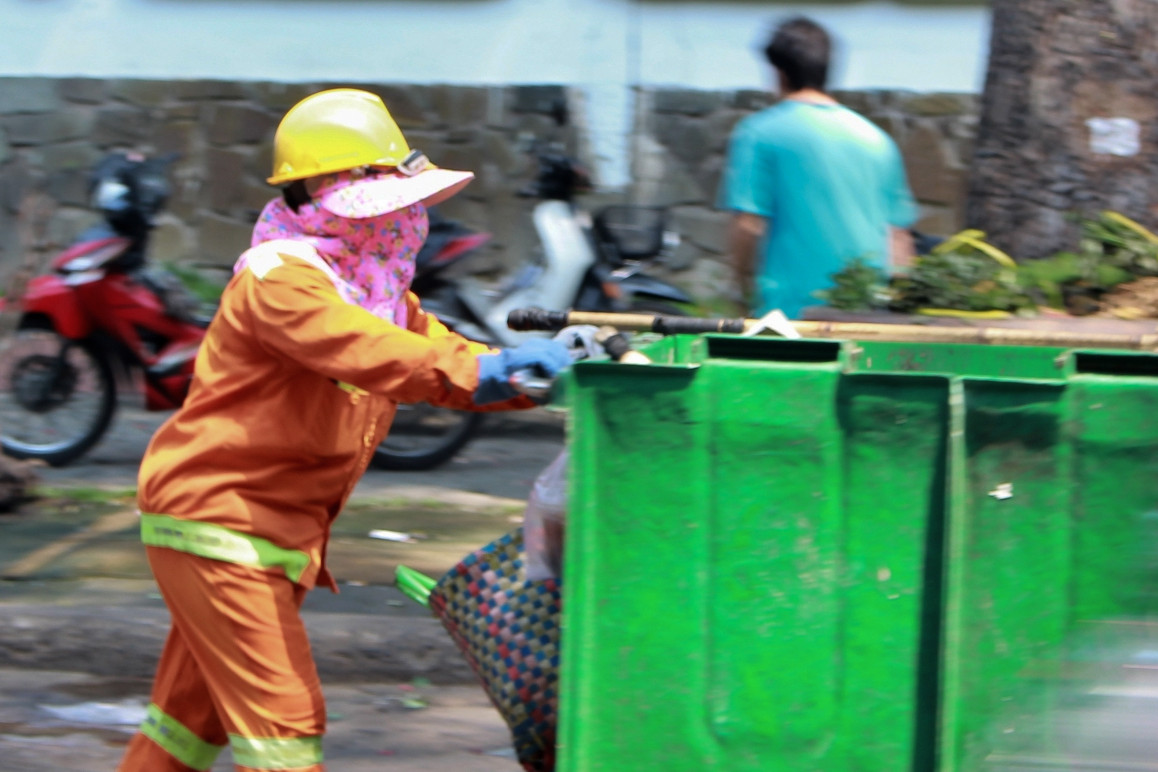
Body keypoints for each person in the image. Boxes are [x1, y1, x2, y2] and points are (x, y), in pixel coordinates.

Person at [117, 88, 572, 772]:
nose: (404, 220)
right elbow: (369, 350)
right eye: (387, 205)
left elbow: (448, 353)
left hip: (270, 533)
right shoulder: (282, 282)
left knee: (186, 725)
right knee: (286, 732)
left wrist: (547, 379)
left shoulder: (375, 286)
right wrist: (493, 373)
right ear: (317, 200)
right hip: (221, 521)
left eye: (404, 203)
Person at [718, 16, 918, 320]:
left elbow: (748, 224)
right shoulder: (877, 139)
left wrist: (740, 289)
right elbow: (899, 239)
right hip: (867, 314)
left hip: (789, 313)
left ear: (778, 72)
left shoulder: (759, 132)